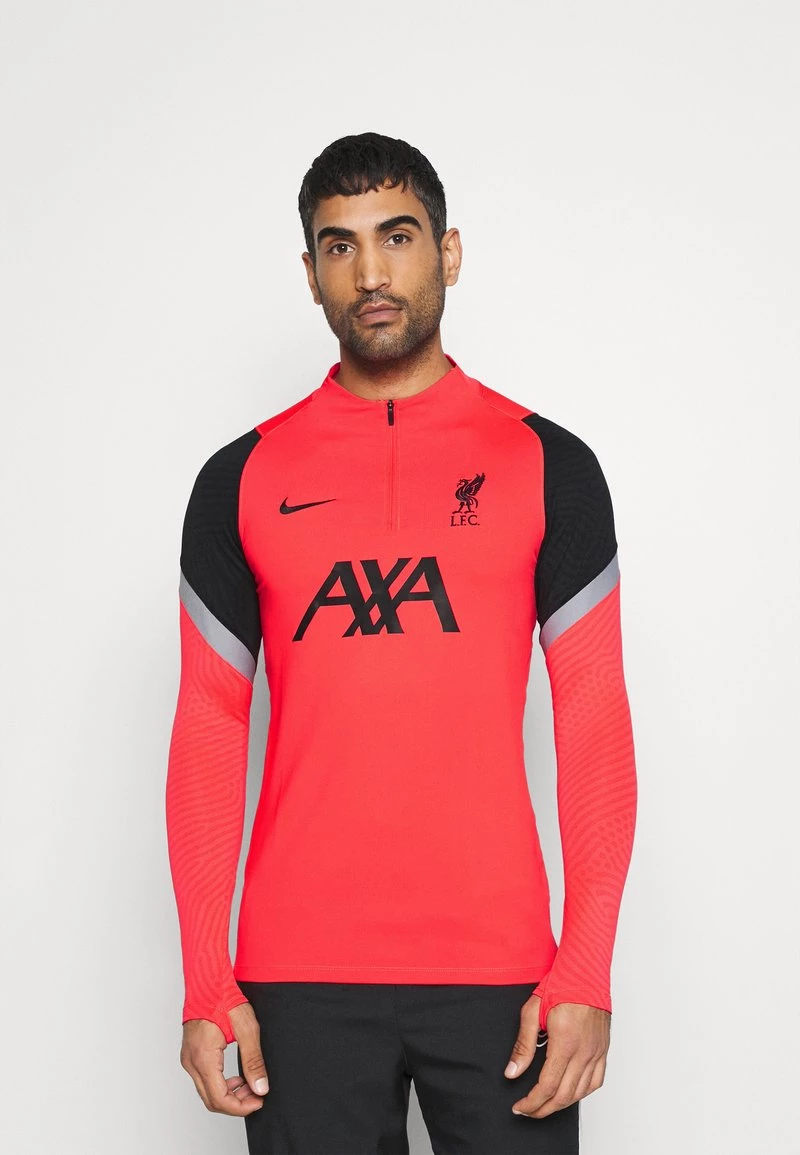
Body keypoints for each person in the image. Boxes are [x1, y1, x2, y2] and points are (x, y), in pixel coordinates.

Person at [165, 131, 638, 1155]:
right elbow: (208, 722)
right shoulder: (239, 477)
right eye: (339, 246)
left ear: (448, 253)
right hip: (296, 977)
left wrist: (586, 966)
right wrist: (206, 978)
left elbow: (593, 713)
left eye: (397, 236)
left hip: (504, 974)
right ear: (310, 274)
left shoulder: (547, 463)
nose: (370, 273)